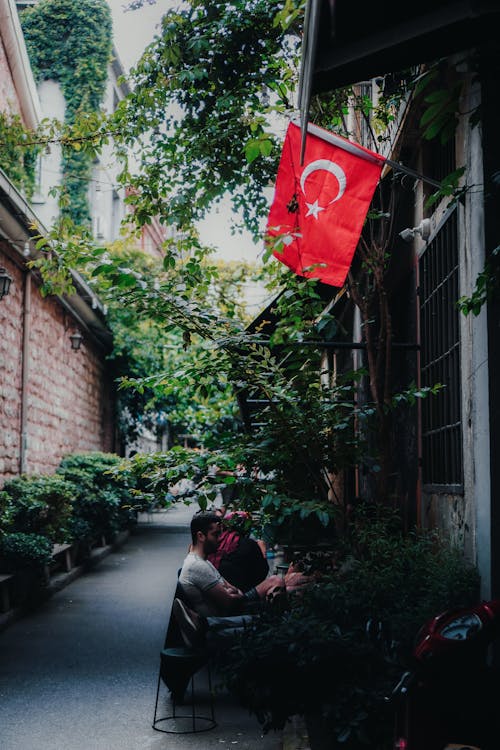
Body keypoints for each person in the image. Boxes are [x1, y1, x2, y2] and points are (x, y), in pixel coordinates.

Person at [207, 509, 270, 592]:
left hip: (215, 591)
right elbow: (262, 571)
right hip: (241, 594)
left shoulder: (215, 542)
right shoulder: (250, 545)